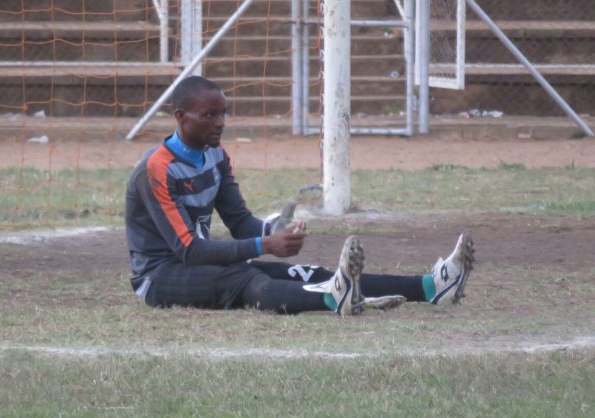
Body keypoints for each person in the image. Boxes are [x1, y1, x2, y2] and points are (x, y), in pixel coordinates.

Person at [124, 75, 475, 316]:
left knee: (307, 272)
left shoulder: (216, 155)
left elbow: (240, 223)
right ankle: (330, 300)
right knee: (245, 279)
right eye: (210, 114)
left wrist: (275, 233)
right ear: (181, 117)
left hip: (198, 264)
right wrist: (265, 247)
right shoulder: (156, 169)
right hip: (160, 277)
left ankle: (430, 287)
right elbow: (190, 251)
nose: (220, 122)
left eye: (223, 113)